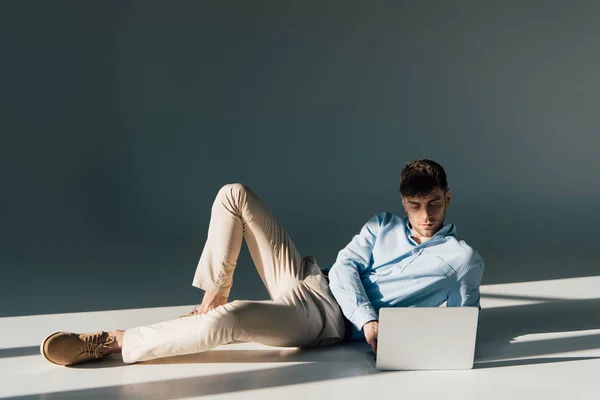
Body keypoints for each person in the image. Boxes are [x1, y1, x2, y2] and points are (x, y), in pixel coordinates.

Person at [41, 159, 484, 366]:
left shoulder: (461, 261)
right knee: (234, 194)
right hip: (311, 278)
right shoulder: (381, 224)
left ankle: (117, 341)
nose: (426, 216)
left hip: (323, 319)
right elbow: (346, 269)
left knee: (233, 322)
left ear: (448, 198)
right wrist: (371, 318)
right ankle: (210, 299)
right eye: (415, 205)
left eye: (434, 204)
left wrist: (383, 332)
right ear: (403, 203)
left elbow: (464, 326)